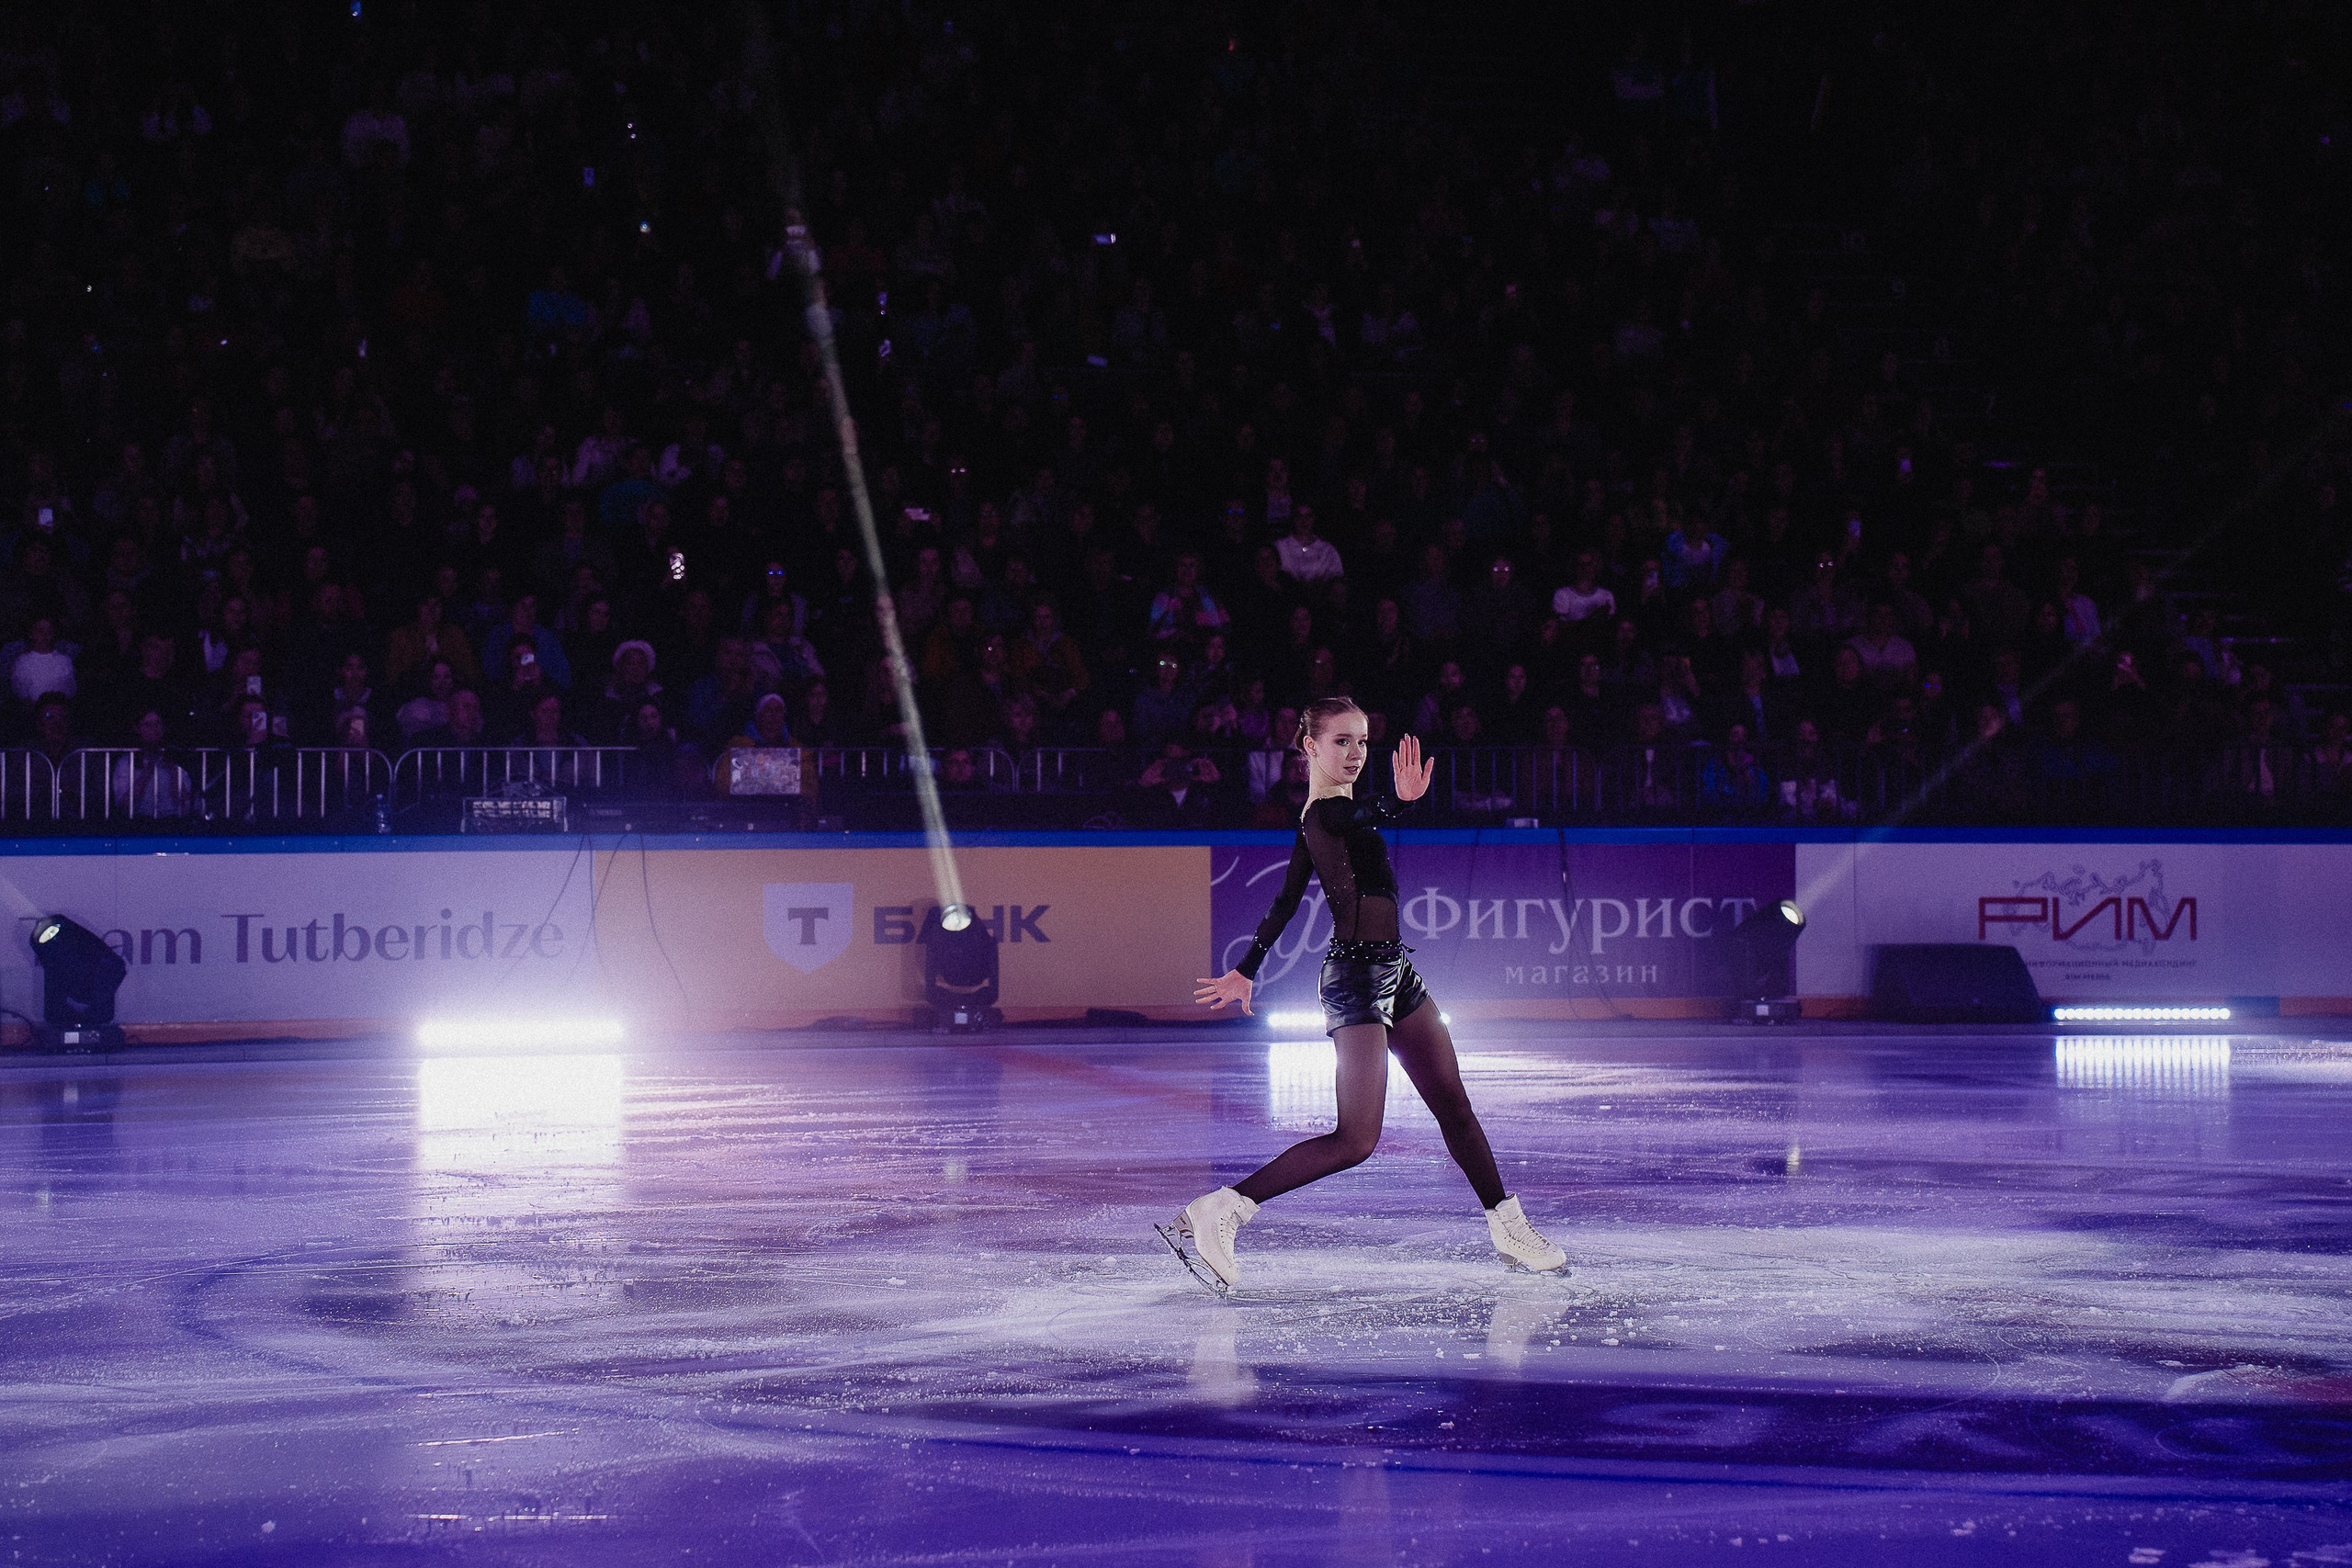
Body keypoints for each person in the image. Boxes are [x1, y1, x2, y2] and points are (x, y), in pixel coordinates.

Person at [1174, 697, 1567, 1292]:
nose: (1355, 753)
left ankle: (1508, 1226)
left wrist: (1245, 968)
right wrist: (1397, 802)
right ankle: (1225, 1208)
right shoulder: (1325, 814)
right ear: (1308, 746)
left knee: (1455, 1107)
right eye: (1341, 742)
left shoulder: (1332, 813)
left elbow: (1284, 901)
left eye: (1362, 741)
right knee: (1356, 1139)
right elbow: (1355, 820)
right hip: (1355, 980)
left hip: (1395, 973)